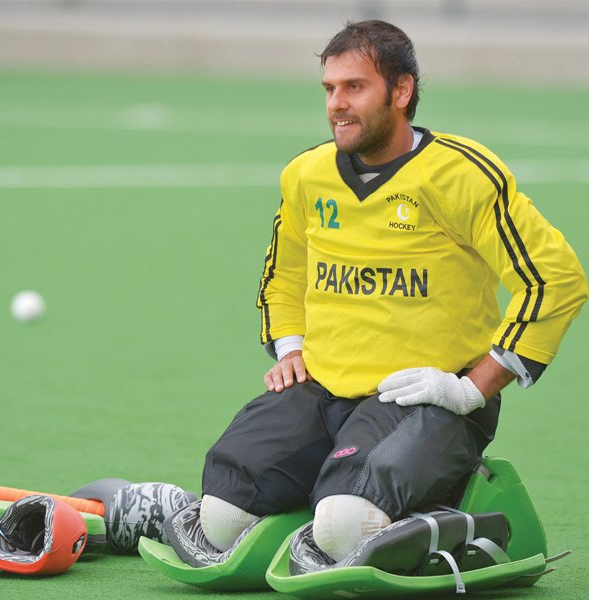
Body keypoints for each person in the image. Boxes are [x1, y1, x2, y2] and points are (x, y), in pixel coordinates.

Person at [198, 20, 588, 562]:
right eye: (329, 89)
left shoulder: (462, 174)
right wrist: (289, 347)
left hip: (426, 397)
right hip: (324, 388)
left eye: (354, 87)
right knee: (219, 516)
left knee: (343, 528)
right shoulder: (307, 175)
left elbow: (556, 279)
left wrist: (472, 389)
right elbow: (282, 275)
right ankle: (333, 492)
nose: (337, 103)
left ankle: (465, 512)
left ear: (401, 92)